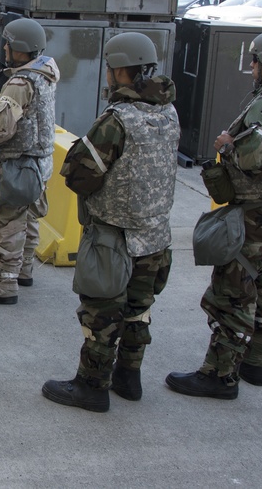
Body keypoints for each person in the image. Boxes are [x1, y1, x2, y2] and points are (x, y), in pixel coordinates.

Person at [166, 28, 262, 400]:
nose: (251, 66)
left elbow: (260, 161)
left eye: (256, 60)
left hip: (259, 213)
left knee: (234, 291)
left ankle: (219, 375)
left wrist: (228, 146)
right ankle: (255, 362)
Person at [41, 33, 179, 413]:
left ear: (119, 71)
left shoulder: (117, 120)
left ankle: (91, 384)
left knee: (101, 313)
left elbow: (79, 174)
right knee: (138, 308)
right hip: (155, 235)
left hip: (113, 236)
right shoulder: (168, 112)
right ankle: (128, 377)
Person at [0, 18, 59, 305]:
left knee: (7, 224)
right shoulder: (45, 73)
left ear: (20, 47)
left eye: (8, 42)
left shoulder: (19, 82)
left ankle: (1, 286)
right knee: (29, 220)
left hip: (20, 164)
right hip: (41, 161)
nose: (4, 47)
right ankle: (24, 271)